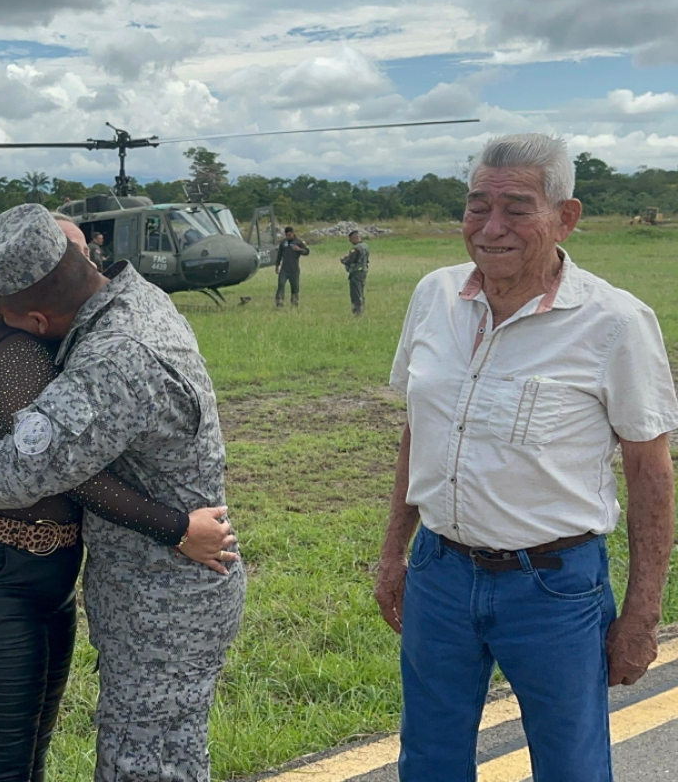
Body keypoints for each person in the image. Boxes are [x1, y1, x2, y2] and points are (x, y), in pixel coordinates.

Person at [374, 134, 678, 781]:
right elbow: (417, 431)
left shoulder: (616, 323)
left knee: (571, 768)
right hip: (440, 572)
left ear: (565, 216)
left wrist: (642, 613)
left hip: (553, 587)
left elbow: (651, 474)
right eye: (477, 206)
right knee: (428, 761)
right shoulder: (433, 296)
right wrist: (394, 553)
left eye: (516, 207)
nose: (491, 228)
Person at [0, 204, 246, 782]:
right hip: (151, 581)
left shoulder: (116, 357)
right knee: (155, 755)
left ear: (38, 323)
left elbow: (33, 468)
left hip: (164, 595)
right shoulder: (123, 296)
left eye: (6, 316)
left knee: (146, 768)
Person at [274, 226, 310, 307]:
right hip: (284, 268)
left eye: (290, 234)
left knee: (295, 286)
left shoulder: (298, 242)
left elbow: (307, 251)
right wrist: (277, 265)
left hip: (294, 269)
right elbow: (279, 254)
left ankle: (294, 301)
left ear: (293, 233)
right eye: (287, 235)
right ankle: (279, 301)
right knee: (281, 284)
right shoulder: (283, 243)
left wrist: (299, 250)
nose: (288, 236)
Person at [340, 230, 370, 315]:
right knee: (361, 291)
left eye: (350, 240)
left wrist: (343, 260)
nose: (350, 242)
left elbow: (350, 261)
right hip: (363, 271)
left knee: (355, 293)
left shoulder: (356, 248)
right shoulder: (365, 246)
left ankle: (357, 312)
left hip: (356, 272)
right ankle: (362, 308)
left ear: (354, 238)